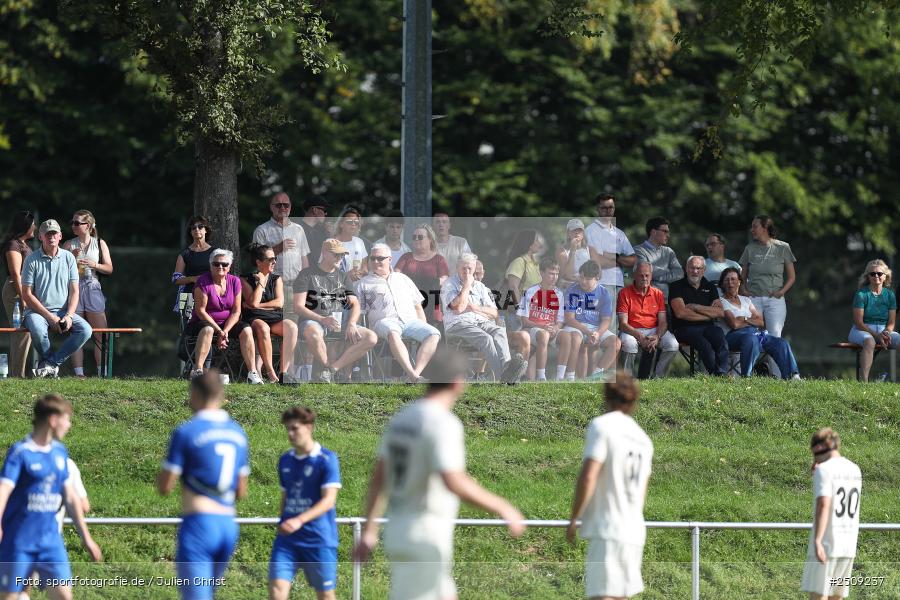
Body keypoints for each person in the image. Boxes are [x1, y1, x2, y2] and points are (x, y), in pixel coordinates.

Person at [353, 349, 526, 599]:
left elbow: (379, 477)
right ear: (458, 383)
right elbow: (453, 480)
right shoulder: (442, 422)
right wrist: (502, 506)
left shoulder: (401, 418)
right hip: (426, 532)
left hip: (399, 528)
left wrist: (369, 531)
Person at [158, 371, 250, 600]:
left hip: (200, 523)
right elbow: (241, 491)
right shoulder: (238, 433)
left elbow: (165, 486)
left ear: (196, 394)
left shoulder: (187, 431)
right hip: (228, 525)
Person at [0, 394, 102, 599]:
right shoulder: (20, 453)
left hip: (50, 543)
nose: (69, 425)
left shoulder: (59, 452)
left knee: (64, 596)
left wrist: (87, 538)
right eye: (67, 419)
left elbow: (71, 498)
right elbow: (2, 492)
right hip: (19, 542)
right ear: (53, 420)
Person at [567, 373, 653, 600]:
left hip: (609, 527)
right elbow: (642, 492)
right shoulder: (643, 439)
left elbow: (588, 477)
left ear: (606, 397)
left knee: (603, 596)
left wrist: (574, 517)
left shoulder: (602, 426)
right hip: (634, 528)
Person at [269, 407, 341, 600]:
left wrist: (299, 520)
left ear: (309, 427)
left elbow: (328, 501)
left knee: (325, 594)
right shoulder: (285, 460)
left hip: (318, 538)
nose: (290, 434)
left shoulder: (326, 459)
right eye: (288, 429)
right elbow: (285, 497)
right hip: (288, 540)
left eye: (295, 429)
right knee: (276, 589)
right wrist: (283, 521)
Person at [293, 238, 377, 383]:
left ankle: (332, 370)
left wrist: (351, 324)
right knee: (314, 334)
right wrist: (322, 319)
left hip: (339, 323)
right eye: (336, 254)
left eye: (342, 255)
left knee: (370, 337)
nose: (340, 258)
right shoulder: (307, 274)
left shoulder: (343, 276)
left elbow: (355, 304)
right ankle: (327, 368)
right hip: (314, 321)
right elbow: (298, 307)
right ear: (325, 253)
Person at [356, 244, 441, 383]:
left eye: (380, 258)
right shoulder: (363, 283)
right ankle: (414, 377)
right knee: (393, 331)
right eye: (373, 258)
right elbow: (358, 312)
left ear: (389, 259)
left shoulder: (403, 279)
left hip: (410, 321)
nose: (376, 261)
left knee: (434, 333)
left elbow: (418, 306)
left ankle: (414, 375)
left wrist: (422, 326)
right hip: (384, 322)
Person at [20, 219, 93, 378]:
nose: (51, 237)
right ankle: (49, 365)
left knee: (86, 330)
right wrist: (50, 316)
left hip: (63, 312)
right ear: (40, 237)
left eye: (54, 233)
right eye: (47, 234)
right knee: (39, 330)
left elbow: (74, 291)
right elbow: (26, 294)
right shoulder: (31, 260)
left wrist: (69, 316)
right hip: (35, 313)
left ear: (60, 236)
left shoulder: (68, 258)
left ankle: (50, 365)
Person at [441, 253, 528, 383]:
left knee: (499, 331)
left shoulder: (481, 287)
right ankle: (504, 378)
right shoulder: (449, 284)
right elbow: (458, 308)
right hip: (458, 325)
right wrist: (466, 286)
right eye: (463, 268)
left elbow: (494, 313)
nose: (466, 271)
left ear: (474, 268)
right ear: (457, 268)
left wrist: (476, 308)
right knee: (486, 338)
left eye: (470, 268)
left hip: (479, 322)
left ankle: (507, 370)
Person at [185, 248, 264, 384]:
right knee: (208, 329)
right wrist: (219, 330)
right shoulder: (203, 282)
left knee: (246, 329)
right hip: (203, 322)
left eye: (224, 264)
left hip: (227, 325)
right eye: (216, 264)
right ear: (210, 265)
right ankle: (198, 371)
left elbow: (236, 311)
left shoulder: (235, 281)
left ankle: (252, 373)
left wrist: (225, 331)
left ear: (230, 266)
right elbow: (201, 311)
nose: (220, 267)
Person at [801, 428, 862, 600]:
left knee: (819, 597)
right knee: (836, 597)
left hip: (827, 545)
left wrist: (818, 541)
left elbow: (824, 504)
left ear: (818, 448)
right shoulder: (854, 469)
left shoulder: (825, 470)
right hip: (848, 546)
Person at [718, 267, 801, 379]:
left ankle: (793, 376)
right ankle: (746, 377)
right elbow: (734, 324)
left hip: (755, 334)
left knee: (781, 343)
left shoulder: (746, 300)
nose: (730, 283)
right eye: (726, 280)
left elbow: (761, 322)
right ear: (722, 284)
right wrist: (750, 320)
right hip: (732, 337)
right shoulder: (721, 301)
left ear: (739, 282)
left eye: (733, 279)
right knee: (750, 339)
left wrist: (745, 319)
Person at [62, 209, 113, 378]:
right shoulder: (69, 244)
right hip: (74, 287)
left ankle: (102, 373)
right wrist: (69, 256)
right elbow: (60, 271)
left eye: (77, 223)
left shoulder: (99, 243)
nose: (73, 226)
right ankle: (79, 374)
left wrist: (94, 264)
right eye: (73, 223)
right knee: (77, 333)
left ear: (88, 226)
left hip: (92, 286)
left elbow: (109, 268)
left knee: (100, 333)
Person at [241, 243, 299, 383]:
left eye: (275, 258)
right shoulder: (244, 280)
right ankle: (271, 373)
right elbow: (253, 303)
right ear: (259, 262)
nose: (274, 262)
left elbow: (279, 303)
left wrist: (258, 306)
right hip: (255, 319)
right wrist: (261, 283)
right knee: (263, 328)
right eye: (270, 259)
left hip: (274, 317)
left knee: (291, 327)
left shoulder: (276, 279)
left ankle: (283, 372)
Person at [253, 193, 312, 321]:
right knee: (275, 325)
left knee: (294, 325)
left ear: (290, 207)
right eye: (278, 205)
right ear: (271, 207)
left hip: (297, 286)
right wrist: (278, 248)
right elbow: (256, 260)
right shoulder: (262, 230)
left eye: (286, 205)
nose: (283, 208)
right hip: (273, 287)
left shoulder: (298, 229)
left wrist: (307, 281)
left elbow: (304, 258)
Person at [517, 258, 578, 381]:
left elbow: (560, 320)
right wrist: (543, 327)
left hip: (550, 329)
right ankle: (541, 377)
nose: (554, 277)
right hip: (533, 329)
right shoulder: (530, 291)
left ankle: (560, 378)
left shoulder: (559, 294)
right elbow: (524, 321)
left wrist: (556, 328)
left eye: (556, 274)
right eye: (551, 273)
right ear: (542, 273)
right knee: (544, 335)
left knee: (567, 335)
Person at [617, 262, 679, 378]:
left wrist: (657, 336)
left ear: (651, 276)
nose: (644, 278)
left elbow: (663, 323)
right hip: (631, 330)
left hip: (653, 330)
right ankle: (628, 380)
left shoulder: (658, 294)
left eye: (647, 275)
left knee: (673, 344)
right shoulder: (624, 293)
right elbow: (623, 324)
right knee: (629, 344)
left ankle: (658, 378)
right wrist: (640, 337)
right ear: (634, 275)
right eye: (641, 275)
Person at [739, 215, 797, 338]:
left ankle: (772, 358)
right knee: (751, 336)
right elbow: (742, 275)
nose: (751, 229)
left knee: (775, 336)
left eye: (755, 226)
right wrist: (743, 290)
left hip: (775, 300)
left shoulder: (783, 247)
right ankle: (752, 358)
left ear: (765, 228)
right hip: (753, 300)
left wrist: (781, 292)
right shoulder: (749, 248)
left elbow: (792, 277)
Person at [563, 261, 619, 380]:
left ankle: (596, 376)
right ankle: (575, 379)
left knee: (616, 343)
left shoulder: (604, 293)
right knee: (580, 341)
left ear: (597, 278)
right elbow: (569, 319)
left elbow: (606, 319)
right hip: (576, 326)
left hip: (595, 328)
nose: (583, 281)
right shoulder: (573, 290)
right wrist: (587, 332)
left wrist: (598, 333)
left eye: (587, 279)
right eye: (581, 277)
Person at [848, 259, 899, 382]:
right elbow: (858, 322)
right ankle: (864, 382)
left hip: (882, 330)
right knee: (869, 341)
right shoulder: (861, 294)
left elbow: (891, 322)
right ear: (868, 276)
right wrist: (877, 335)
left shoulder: (890, 295)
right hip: (861, 330)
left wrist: (886, 332)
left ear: (885, 276)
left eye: (879, 273)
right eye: (872, 274)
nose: (876, 276)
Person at [1, 209, 35, 378]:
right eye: (33, 224)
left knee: (24, 333)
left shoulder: (23, 244)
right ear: (26, 226)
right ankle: (17, 376)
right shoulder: (13, 245)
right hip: (16, 291)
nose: (35, 227)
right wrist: (24, 298)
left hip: (23, 290)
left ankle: (18, 374)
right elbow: (16, 273)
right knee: (20, 333)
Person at [394, 224, 449, 326]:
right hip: (409, 303)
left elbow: (444, 280)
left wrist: (417, 282)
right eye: (414, 237)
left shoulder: (439, 259)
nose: (416, 239)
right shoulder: (406, 257)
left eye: (420, 237)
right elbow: (395, 276)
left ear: (430, 239)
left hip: (433, 303)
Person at [584, 194, 637, 297]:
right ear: (597, 209)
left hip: (619, 284)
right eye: (604, 207)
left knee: (617, 314)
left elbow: (634, 260)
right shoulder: (590, 231)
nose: (608, 211)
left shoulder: (619, 233)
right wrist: (620, 261)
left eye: (611, 207)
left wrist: (613, 257)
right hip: (600, 284)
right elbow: (596, 261)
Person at [173, 216, 215, 323]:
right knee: (188, 329)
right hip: (188, 297)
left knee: (211, 325)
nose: (197, 229)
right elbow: (176, 279)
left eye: (200, 227)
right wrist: (193, 279)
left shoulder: (215, 253)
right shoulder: (185, 254)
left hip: (212, 294)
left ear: (206, 230)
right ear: (191, 232)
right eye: (193, 228)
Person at [633, 217, 683, 300]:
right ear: (653, 232)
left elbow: (679, 273)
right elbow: (645, 271)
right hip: (644, 300)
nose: (668, 235)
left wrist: (655, 275)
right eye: (665, 231)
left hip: (665, 300)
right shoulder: (638, 250)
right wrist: (668, 272)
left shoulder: (669, 251)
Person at [333, 206, 369, 283]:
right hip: (336, 288)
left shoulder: (360, 242)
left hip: (357, 289)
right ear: (341, 224)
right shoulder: (330, 242)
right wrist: (346, 276)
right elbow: (324, 271)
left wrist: (359, 273)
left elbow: (365, 269)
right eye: (349, 222)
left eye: (356, 222)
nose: (353, 224)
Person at [556, 219, 590, 290]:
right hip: (569, 289)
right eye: (574, 230)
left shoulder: (589, 250)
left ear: (583, 233)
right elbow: (568, 275)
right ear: (568, 233)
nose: (577, 232)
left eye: (579, 230)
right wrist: (572, 251)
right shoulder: (561, 251)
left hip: (586, 289)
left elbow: (595, 273)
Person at [299, 197, 330, 266]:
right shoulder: (296, 230)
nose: (326, 214)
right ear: (315, 210)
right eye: (324, 210)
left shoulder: (323, 231)